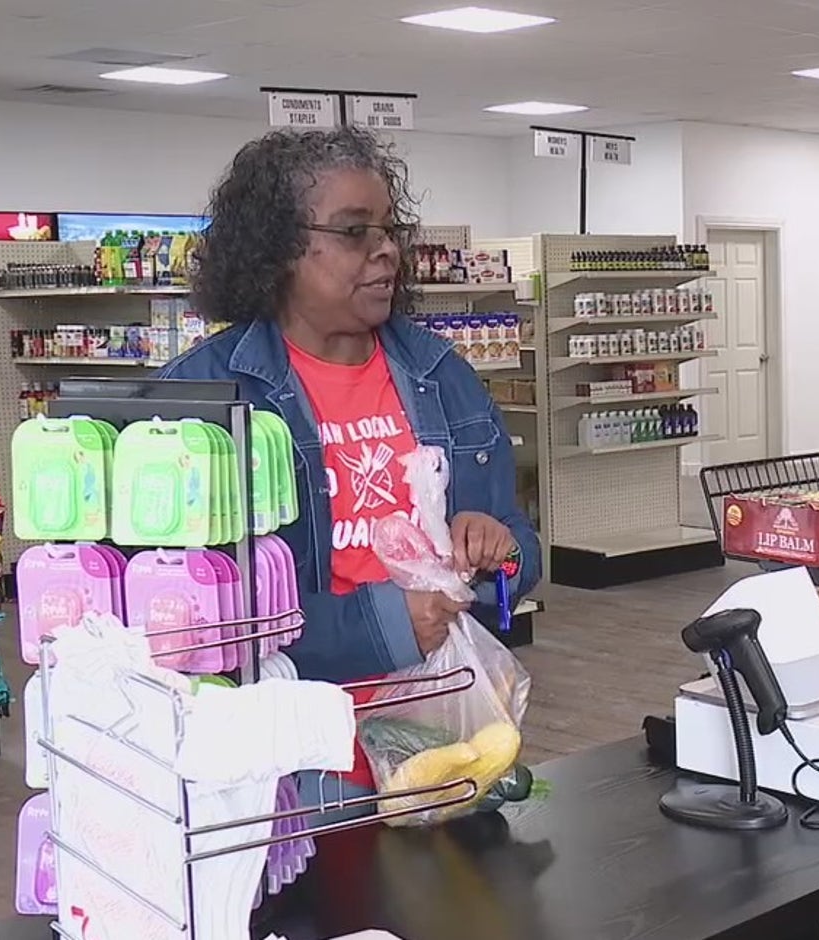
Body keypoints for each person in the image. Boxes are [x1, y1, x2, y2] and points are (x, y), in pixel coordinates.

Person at [161, 125, 540, 810]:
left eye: (391, 229)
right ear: (278, 249)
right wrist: (383, 626)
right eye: (354, 231)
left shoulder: (440, 372)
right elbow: (190, 615)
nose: (387, 250)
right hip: (294, 762)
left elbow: (518, 553)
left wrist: (502, 552)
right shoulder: (205, 401)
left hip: (447, 732)